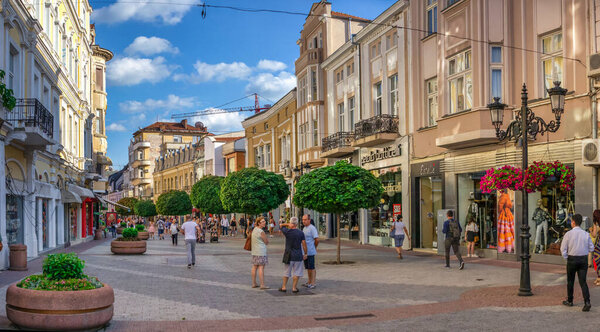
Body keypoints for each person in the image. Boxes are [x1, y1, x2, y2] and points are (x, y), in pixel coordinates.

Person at [561, 214, 594, 312]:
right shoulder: (585, 234)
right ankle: (587, 302)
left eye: (571, 221)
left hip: (572, 259)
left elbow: (563, 249)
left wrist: (567, 258)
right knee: (583, 281)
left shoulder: (568, 234)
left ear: (573, 222)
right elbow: (591, 248)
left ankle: (570, 300)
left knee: (570, 281)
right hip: (583, 259)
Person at [279, 217, 307, 293]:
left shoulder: (287, 232)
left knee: (286, 272)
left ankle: (284, 287)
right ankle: (294, 288)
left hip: (288, 255)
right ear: (297, 224)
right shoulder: (301, 233)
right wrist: (305, 253)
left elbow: (281, 226)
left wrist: (287, 224)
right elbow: (304, 244)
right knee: (297, 272)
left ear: (291, 223)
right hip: (298, 254)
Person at [251, 217, 270, 289]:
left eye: (264, 221)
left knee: (254, 266)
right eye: (263, 221)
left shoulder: (254, 230)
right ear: (259, 223)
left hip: (255, 251)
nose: (264, 222)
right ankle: (262, 284)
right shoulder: (261, 231)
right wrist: (267, 241)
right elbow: (266, 241)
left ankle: (254, 283)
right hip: (261, 251)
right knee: (261, 267)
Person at [301, 214, 319, 289]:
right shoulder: (304, 228)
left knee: (312, 267)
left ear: (309, 220)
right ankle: (309, 281)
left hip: (311, 251)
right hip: (305, 252)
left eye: (305, 219)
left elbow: (317, 239)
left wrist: (314, 247)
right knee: (308, 267)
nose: (303, 221)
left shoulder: (312, 228)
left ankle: (313, 283)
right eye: (303, 220)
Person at [592, 210, 600, 286]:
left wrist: (590, 231)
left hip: (599, 243)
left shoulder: (596, 223)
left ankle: (599, 278)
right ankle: (598, 277)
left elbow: (594, 235)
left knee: (597, 260)